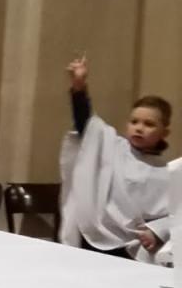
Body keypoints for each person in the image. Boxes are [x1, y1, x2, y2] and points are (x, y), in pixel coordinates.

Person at [60, 56, 171, 261]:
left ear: (164, 133)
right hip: (97, 235)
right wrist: (79, 87)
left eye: (149, 124)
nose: (139, 128)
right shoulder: (112, 146)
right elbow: (87, 125)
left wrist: (156, 231)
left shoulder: (167, 172)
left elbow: (175, 215)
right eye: (134, 121)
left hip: (137, 246)